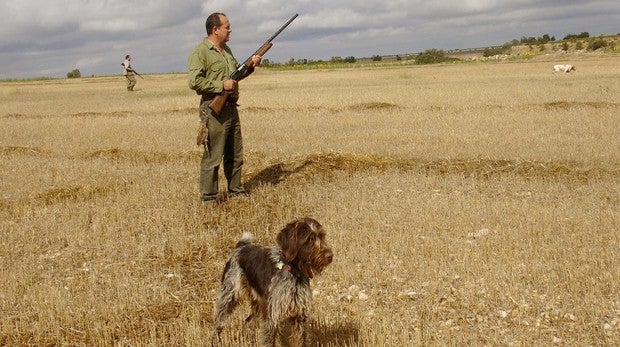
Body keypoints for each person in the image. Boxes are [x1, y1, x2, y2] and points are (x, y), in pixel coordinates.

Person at [188, 12, 261, 203]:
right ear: (215, 30)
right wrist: (221, 85)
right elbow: (195, 82)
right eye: (227, 27)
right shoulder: (200, 52)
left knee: (235, 153)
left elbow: (236, 75)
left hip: (231, 108)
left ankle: (236, 190)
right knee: (213, 158)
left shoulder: (226, 50)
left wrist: (251, 66)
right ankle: (209, 198)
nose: (230, 30)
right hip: (213, 110)